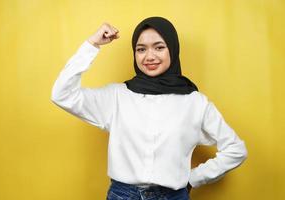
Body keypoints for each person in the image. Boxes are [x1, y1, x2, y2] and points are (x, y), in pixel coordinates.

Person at [51, 16, 248, 200]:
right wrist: (92, 44)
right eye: (141, 49)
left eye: (159, 47)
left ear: (172, 49)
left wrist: (193, 179)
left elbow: (235, 149)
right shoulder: (117, 96)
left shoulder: (195, 102)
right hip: (123, 195)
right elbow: (62, 94)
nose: (149, 56)